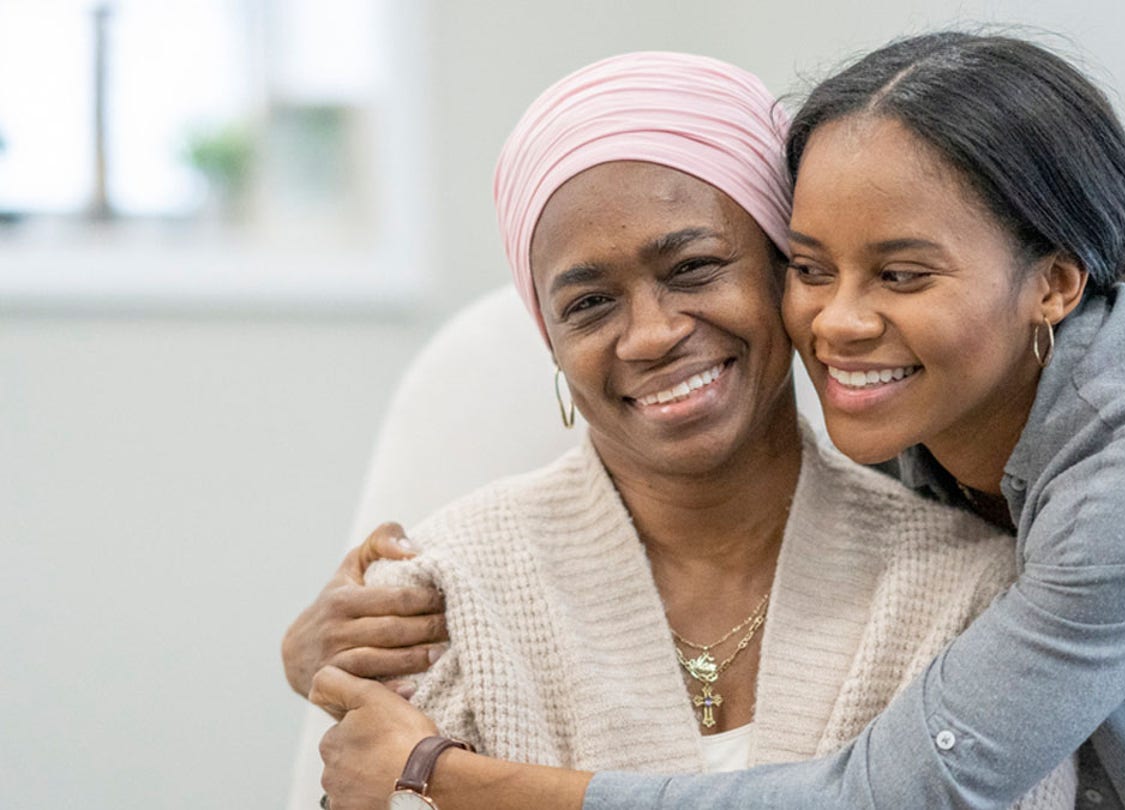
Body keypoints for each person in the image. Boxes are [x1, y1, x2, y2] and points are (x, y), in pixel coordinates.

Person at [300, 50, 1075, 809]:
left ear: (792, 273)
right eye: (589, 305)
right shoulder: (440, 598)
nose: (649, 335)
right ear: (552, 343)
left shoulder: (970, 593)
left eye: (694, 268)